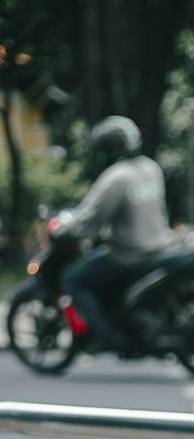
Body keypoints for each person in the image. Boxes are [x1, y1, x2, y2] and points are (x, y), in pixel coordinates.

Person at [54, 116, 171, 351]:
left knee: (72, 278)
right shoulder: (150, 167)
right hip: (160, 246)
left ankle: (105, 336)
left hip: (128, 254)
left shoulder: (117, 177)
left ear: (106, 149)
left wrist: (63, 230)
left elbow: (89, 218)